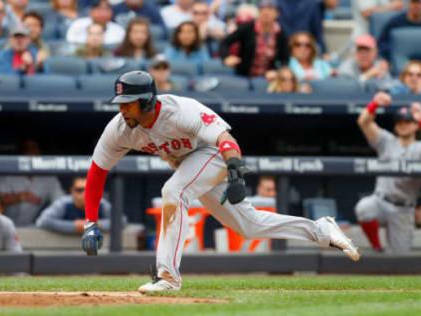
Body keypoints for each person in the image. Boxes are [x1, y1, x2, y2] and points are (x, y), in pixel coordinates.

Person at [80, 70, 360, 293]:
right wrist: (91, 221)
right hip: (188, 163)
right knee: (249, 226)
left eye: (129, 104)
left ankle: (167, 275)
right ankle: (321, 230)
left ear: (148, 101)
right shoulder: (119, 129)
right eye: (121, 104)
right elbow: (97, 172)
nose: (124, 110)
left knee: (173, 191)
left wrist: (235, 171)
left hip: (212, 153)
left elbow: (225, 138)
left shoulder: (180, 110)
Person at [355, 92, 421, 253]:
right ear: (396, 126)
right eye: (400, 122)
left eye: (408, 121)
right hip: (380, 201)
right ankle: (377, 247)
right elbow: (363, 122)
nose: (403, 125)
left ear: (415, 125)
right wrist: (374, 104)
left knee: (400, 259)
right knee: (364, 208)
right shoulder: (386, 141)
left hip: (404, 209)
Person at [0, 139, 65, 227]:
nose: (30, 154)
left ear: (40, 153)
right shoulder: (6, 174)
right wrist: (19, 197)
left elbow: (61, 202)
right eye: (26, 150)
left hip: (29, 228)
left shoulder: (48, 177)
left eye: (34, 149)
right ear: (20, 153)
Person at [219, 0, 289, 78]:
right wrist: (226, 57)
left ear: (277, 13)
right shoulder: (247, 28)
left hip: (267, 79)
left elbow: (285, 59)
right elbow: (224, 43)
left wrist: (277, 72)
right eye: (262, 8)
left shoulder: (281, 33)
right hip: (244, 76)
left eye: (270, 9)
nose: (266, 12)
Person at [36, 176, 113, 235]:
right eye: (79, 190)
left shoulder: (101, 203)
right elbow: (42, 221)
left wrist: (96, 225)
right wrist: (75, 226)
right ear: (72, 191)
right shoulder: (63, 203)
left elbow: (121, 220)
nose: (84, 194)